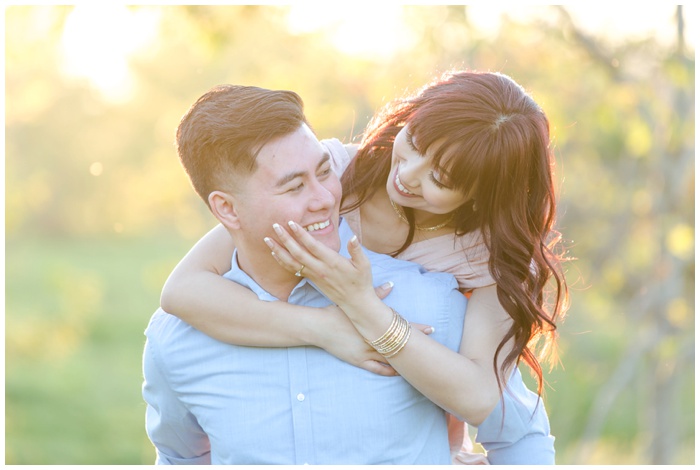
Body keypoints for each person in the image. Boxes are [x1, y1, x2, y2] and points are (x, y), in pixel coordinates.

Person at [158, 71, 567, 464]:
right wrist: (324, 329)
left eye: (439, 179)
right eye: (415, 143)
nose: (405, 175)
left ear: (482, 192)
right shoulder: (336, 174)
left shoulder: (493, 260)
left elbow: (485, 399)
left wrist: (363, 307)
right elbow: (184, 290)